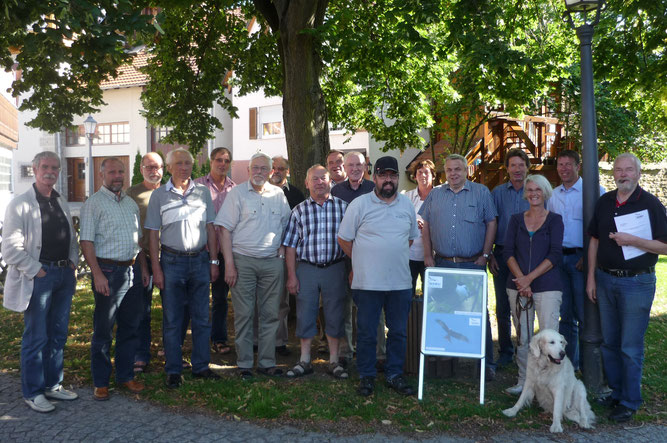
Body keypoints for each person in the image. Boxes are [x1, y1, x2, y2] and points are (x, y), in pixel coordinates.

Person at [586, 153, 667, 423]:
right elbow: (595, 240)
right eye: (618, 170)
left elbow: (665, 246)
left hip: (637, 283)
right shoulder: (605, 202)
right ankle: (617, 393)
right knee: (610, 343)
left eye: (629, 169)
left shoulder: (651, 204)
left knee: (630, 346)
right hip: (606, 279)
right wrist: (591, 278)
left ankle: (630, 401)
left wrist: (633, 240)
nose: (623, 174)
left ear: (639, 173)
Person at [2, 152, 79, 412]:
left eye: (54, 168)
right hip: (39, 278)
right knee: (37, 336)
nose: (50, 172)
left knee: (58, 334)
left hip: (63, 276)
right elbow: (10, 249)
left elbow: (71, 238)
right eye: (45, 167)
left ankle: (53, 385)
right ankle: (33, 392)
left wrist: (72, 262)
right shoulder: (20, 204)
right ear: (34, 169)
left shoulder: (61, 201)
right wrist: (37, 271)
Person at [338, 156, 419, 397]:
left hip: (400, 283)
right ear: (374, 178)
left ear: (397, 178)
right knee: (367, 331)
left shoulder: (406, 205)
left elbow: (410, 238)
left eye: (392, 176)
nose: (388, 180)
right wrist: (362, 260)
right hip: (367, 283)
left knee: (398, 332)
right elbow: (344, 239)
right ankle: (367, 376)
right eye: (383, 175)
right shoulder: (360, 205)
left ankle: (394, 374)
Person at [145, 148, 220, 388]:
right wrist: (156, 269)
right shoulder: (159, 196)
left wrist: (214, 261)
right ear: (169, 168)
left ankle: (201, 366)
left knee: (201, 318)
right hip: (171, 262)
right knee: (173, 319)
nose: (184, 167)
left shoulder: (202, 192)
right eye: (179, 163)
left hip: (199, 261)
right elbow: (153, 235)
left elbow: (211, 229)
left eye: (188, 163)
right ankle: (174, 369)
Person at [420, 153, 498, 380]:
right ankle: (448, 362)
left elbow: (491, 221)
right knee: (445, 312)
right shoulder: (435, 194)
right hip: (442, 263)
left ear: (467, 171)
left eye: (458, 169)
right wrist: (427, 254)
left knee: (476, 314)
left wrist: (485, 254)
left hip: (472, 265)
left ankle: (486, 363)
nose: (453, 174)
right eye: (450, 170)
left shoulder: (481, 192)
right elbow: (424, 223)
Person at [216, 152, 291, 379]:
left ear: (271, 172)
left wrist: (280, 253)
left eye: (264, 168)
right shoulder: (237, 194)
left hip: (271, 264)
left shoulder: (278, 195)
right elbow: (224, 229)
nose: (259, 172)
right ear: (248, 170)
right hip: (243, 262)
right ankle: (245, 364)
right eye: (255, 168)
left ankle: (267, 362)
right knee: (244, 314)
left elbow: (287, 225)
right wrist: (229, 265)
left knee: (270, 315)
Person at [80, 157, 148, 401]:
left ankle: (125, 376)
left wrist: (144, 269)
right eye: (112, 172)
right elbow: (86, 241)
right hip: (108, 273)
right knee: (104, 330)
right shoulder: (93, 204)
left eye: (121, 172)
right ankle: (101, 382)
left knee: (130, 327)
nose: (117, 176)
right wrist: (97, 274)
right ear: (102, 175)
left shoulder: (130, 203)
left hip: (132, 273)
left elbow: (137, 241)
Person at [283, 165, 348, 379]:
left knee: (335, 313)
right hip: (307, 269)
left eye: (323, 178)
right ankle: (304, 360)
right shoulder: (298, 211)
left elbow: (353, 242)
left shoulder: (343, 208)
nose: (319, 182)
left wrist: (353, 269)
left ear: (330, 181)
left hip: (335, 268)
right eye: (315, 179)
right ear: (307, 183)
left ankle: (334, 361)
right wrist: (292, 276)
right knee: (305, 313)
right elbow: (290, 246)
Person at [503, 174, 564, 396]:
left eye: (538, 189)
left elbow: (555, 254)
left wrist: (529, 279)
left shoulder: (555, 220)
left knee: (550, 339)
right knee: (524, 337)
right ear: (525, 193)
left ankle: (549, 389)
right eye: (529, 190)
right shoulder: (516, 219)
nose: (533, 193)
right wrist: (522, 280)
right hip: (517, 286)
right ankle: (524, 382)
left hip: (547, 285)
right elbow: (507, 252)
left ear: (546, 192)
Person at [547, 150, 605, 370]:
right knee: (565, 314)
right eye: (560, 164)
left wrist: (589, 257)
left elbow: (601, 227)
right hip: (559, 260)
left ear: (578, 166)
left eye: (568, 164)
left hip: (583, 258)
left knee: (585, 314)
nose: (564, 168)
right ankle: (570, 363)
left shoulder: (594, 192)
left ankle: (591, 365)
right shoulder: (553, 195)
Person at [331, 151, 376, 365]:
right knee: (344, 307)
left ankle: (378, 353)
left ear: (365, 166)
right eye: (351, 165)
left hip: (371, 259)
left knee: (373, 308)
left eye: (359, 165)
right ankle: (346, 353)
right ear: (345, 168)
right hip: (343, 256)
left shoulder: (374, 189)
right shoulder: (336, 191)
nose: (355, 169)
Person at [489, 148, 530, 367]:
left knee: (525, 305)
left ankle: (526, 349)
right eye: (512, 165)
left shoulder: (534, 190)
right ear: (507, 169)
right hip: (501, 253)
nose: (517, 169)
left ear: (527, 168)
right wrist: (490, 255)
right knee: (502, 306)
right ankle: (505, 351)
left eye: (520, 165)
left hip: (527, 255)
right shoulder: (497, 193)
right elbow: (491, 224)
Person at [194, 147, 236, 355]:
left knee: (220, 298)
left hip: (224, 252)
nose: (222, 164)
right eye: (219, 160)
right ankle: (197, 340)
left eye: (226, 161)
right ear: (211, 161)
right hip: (201, 250)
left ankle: (218, 338)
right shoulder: (197, 186)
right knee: (198, 298)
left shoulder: (235, 189)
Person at [127, 152, 164, 374]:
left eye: (158, 166)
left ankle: (171, 349)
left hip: (170, 257)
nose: (154, 171)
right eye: (149, 167)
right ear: (141, 169)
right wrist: (141, 263)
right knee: (142, 309)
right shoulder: (131, 194)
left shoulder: (170, 192)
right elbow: (132, 230)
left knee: (175, 308)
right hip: (144, 258)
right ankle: (141, 353)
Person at [269, 155, 305, 357]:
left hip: (288, 253)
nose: (276, 171)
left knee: (282, 301)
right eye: (273, 168)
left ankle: (279, 341)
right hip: (264, 253)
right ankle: (259, 340)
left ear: (287, 171)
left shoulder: (296, 195)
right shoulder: (259, 192)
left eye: (281, 168)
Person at [403, 159, 436, 297]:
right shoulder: (407, 197)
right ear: (415, 176)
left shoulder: (440, 195)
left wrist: (428, 226)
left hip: (433, 255)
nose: (423, 175)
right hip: (409, 255)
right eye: (419, 172)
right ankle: (409, 319)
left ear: (433, 175)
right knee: (406, 293)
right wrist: (412, 222)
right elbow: (399, 220)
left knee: (431, 295)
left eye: (426, 172)